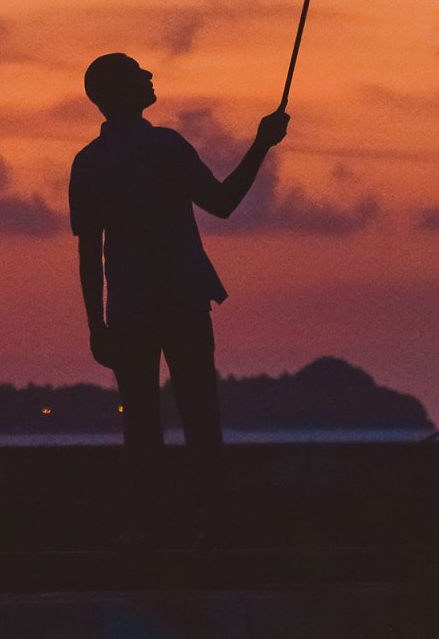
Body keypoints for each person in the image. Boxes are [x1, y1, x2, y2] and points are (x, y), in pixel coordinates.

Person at [69, 52, 289, 545]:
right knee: (201, 417)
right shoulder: (164, 147)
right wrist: (261, 144)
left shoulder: (89, 162)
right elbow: (224, 203)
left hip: (127, 310)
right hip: (182, 300)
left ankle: (152, 530)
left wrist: (96, 326)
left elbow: (90, 254)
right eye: (138, 73)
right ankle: (213, 528)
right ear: (124, 92)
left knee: (141, 426)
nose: (150, 76)